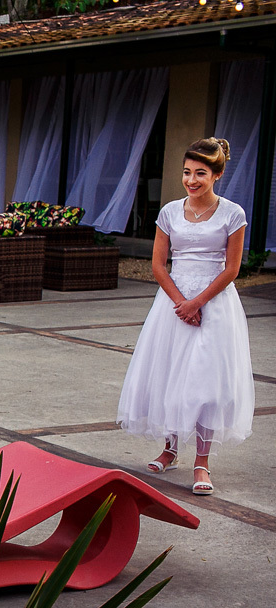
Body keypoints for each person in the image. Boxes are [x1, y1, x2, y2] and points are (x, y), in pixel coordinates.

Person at [117, 137, 254, 495]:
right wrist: (181, 303)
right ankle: (170, 449)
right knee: (170, 372)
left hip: (215, 303)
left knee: (205, 382)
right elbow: (159, 265)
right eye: (187, 173)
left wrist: (198, 304)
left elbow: (232, 269)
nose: (192, 180)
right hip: (172, 304)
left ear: (217, 175)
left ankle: (202, 462)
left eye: (201, 174)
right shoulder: (169, 212)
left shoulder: (233, 214)